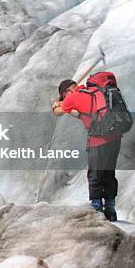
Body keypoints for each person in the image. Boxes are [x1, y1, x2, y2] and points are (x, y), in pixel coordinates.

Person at [51, 79, 121, 221]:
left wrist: (55, 105)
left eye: (64, 96)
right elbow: (84, 115)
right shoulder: (93, 92)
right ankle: (110, 209)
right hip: (114, 138)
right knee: (108, 173)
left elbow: (59, 112)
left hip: (98, 140)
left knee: (94, 175)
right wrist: (66, 105)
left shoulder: (73, 97)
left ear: (68, 92)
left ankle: (96, 208)